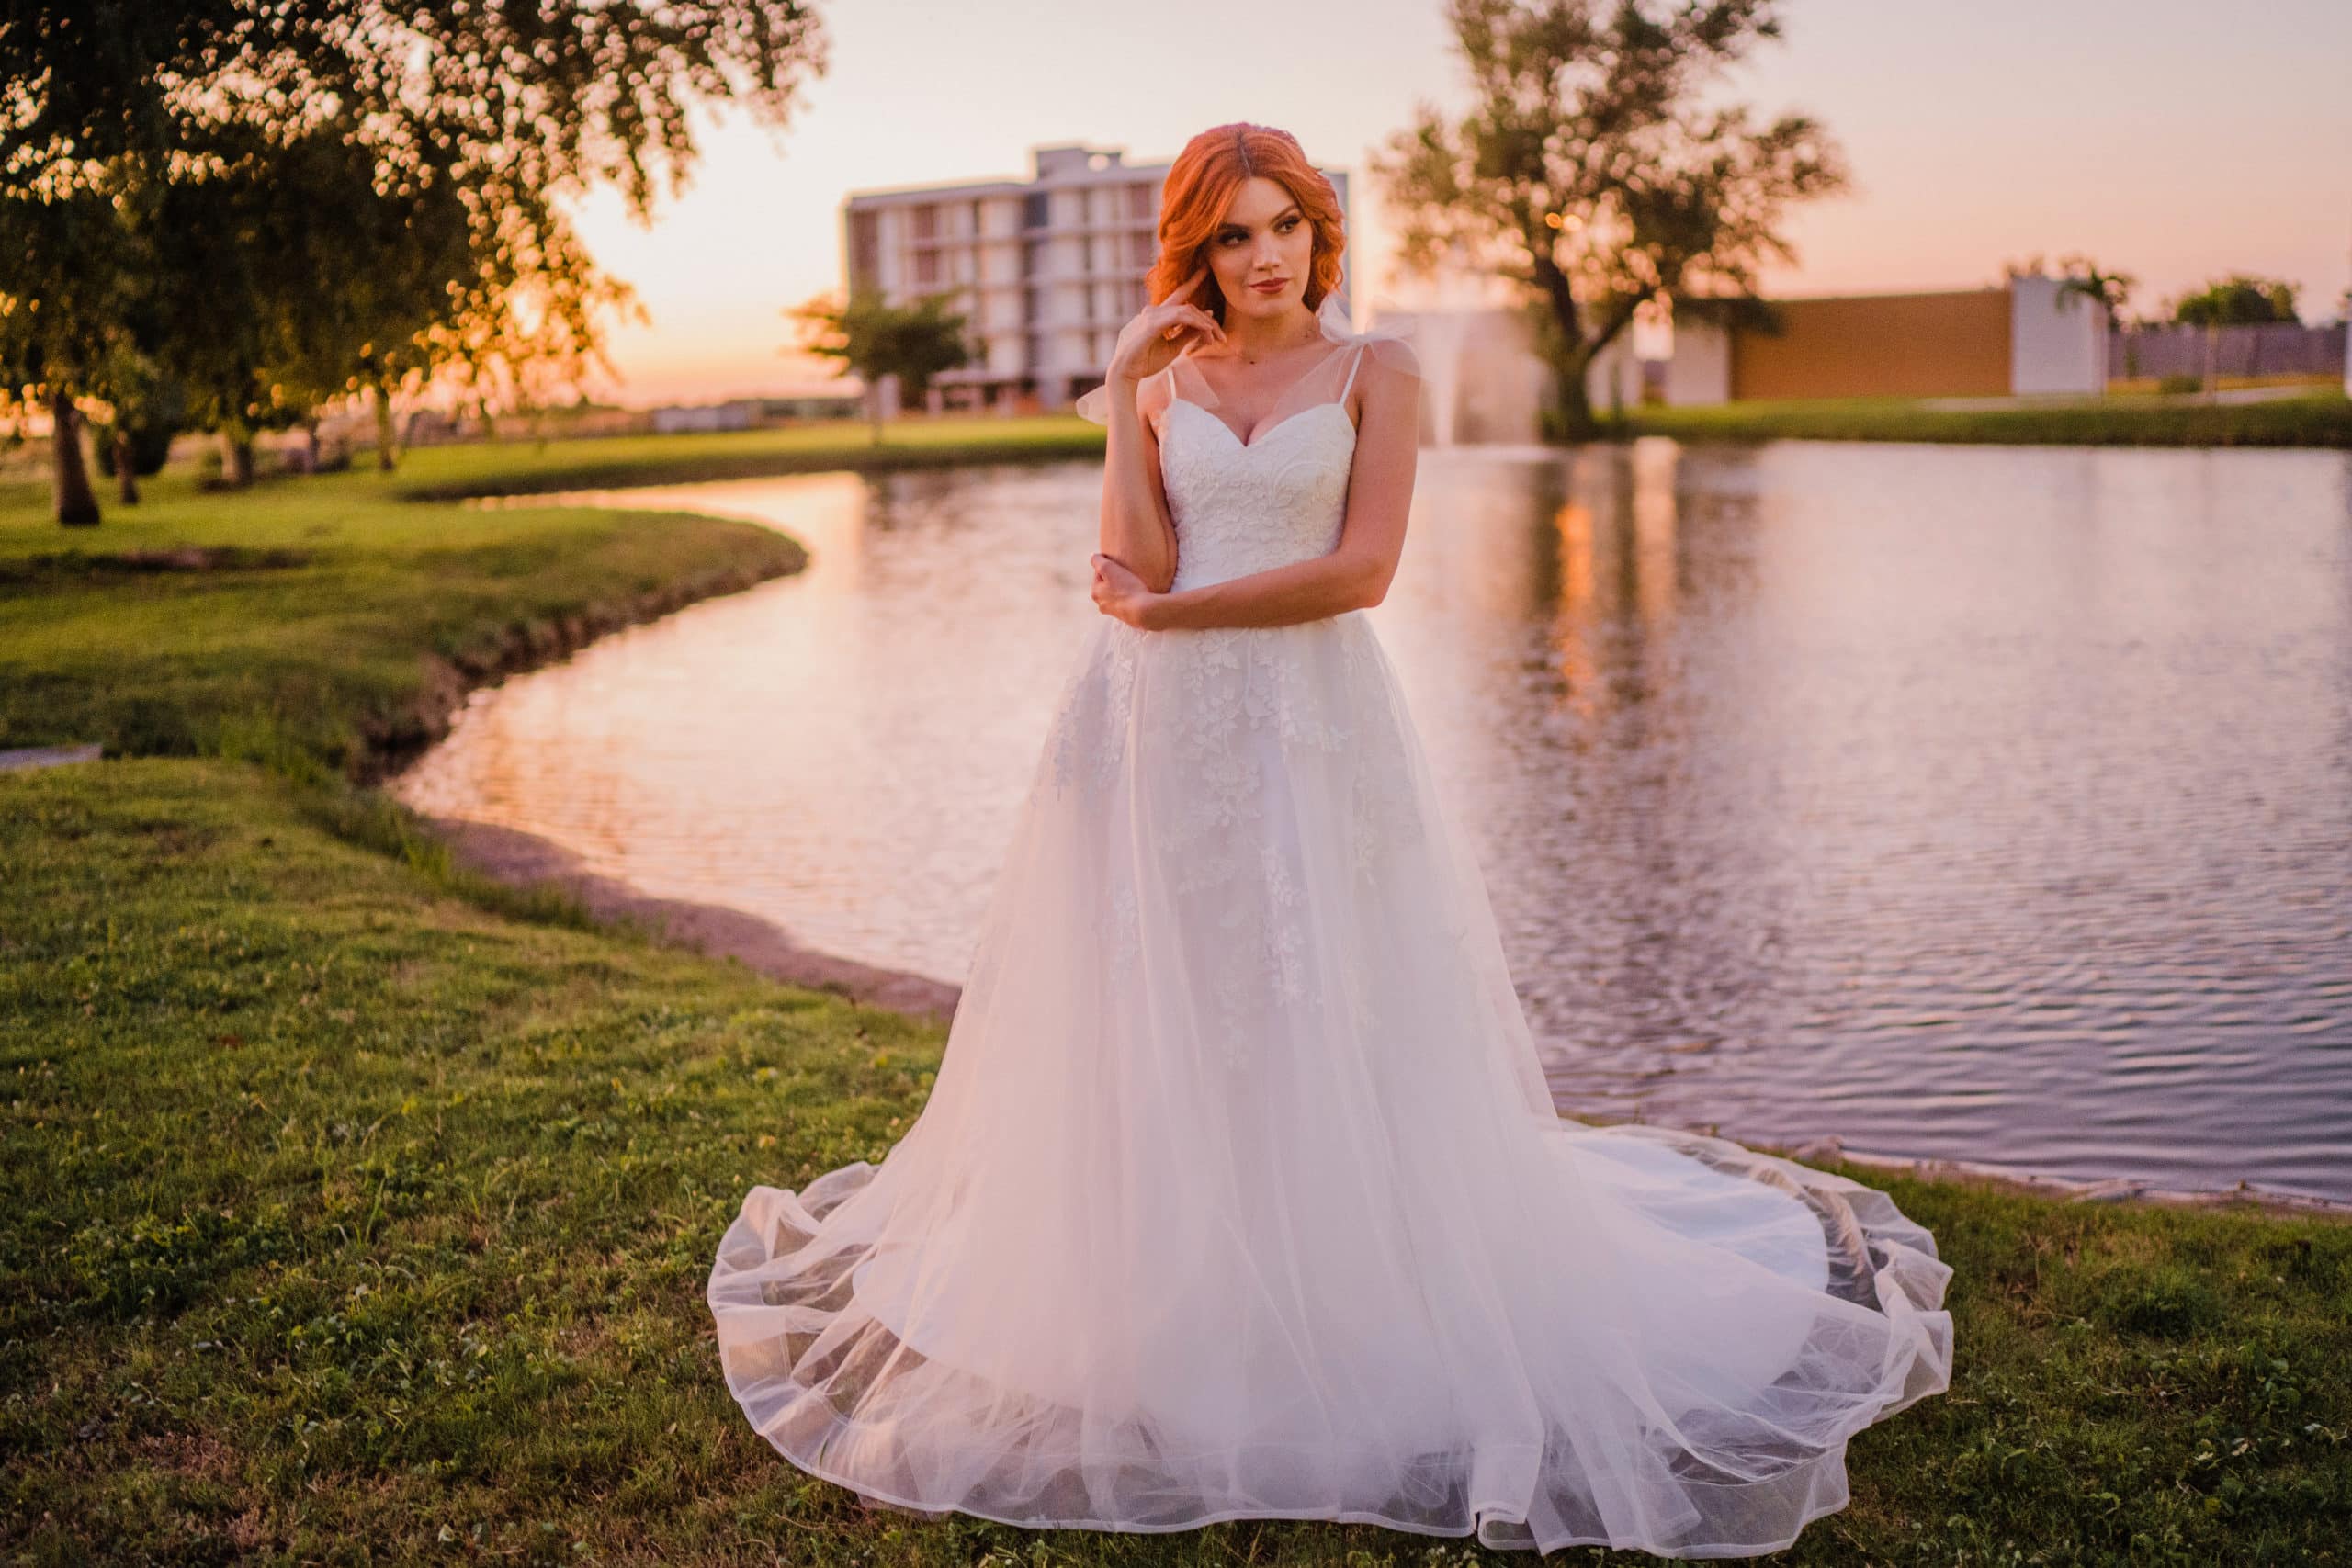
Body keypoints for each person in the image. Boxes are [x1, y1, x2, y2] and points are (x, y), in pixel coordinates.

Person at [707, 121, 1951, 1558]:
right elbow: (1136, 564)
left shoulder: (1378, 372)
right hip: (1152, 729)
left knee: (1323, 983)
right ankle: (1181, 1286)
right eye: (1230, 235)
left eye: (1282, 225)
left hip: (1307, 717)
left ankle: (1345, 1277)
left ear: (1318, 229)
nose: (1262, 257)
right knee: (1168, 990)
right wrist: (1122, 396)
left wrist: (1169, 621)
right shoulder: (1168, 380)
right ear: (1197, 251)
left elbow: (1361, 573)